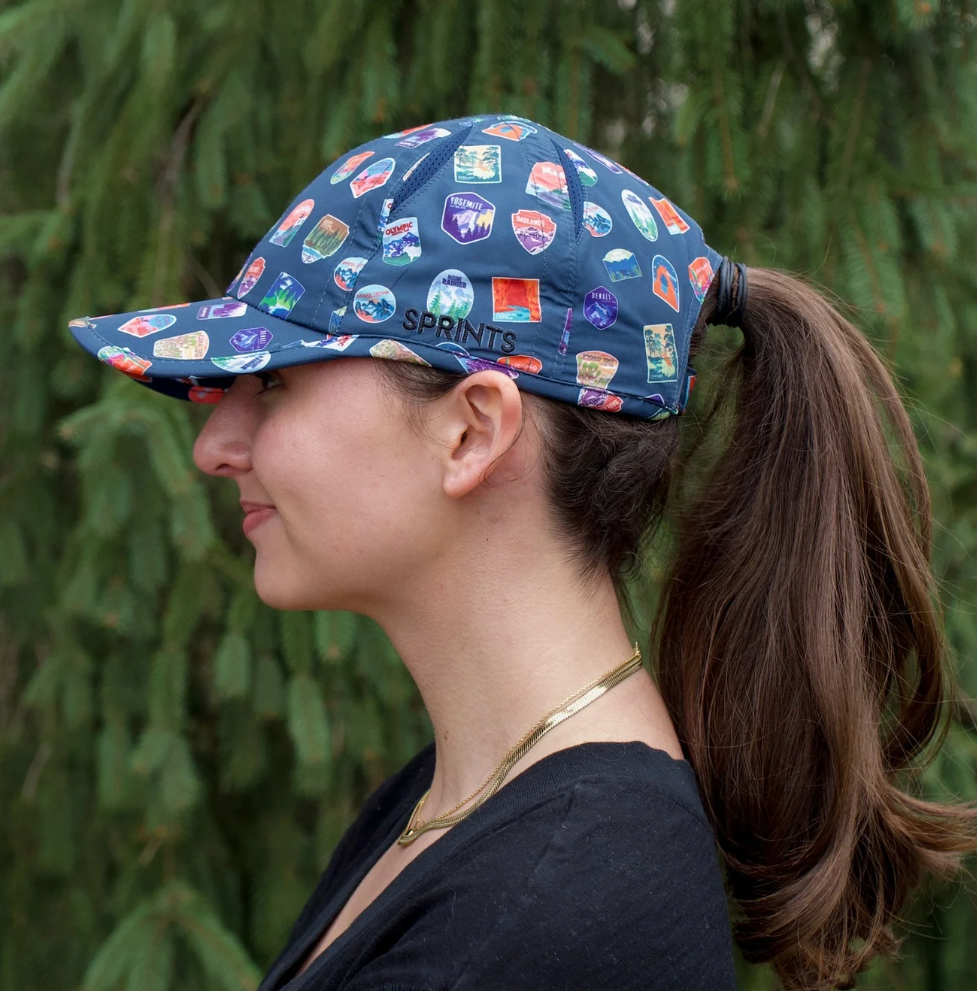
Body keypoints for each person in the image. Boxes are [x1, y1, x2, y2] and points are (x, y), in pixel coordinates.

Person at [67, 114, 977, 991]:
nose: (214, 446)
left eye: (271, 380)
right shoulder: (461, 809)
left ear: (471, 431)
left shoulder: (547, 911)